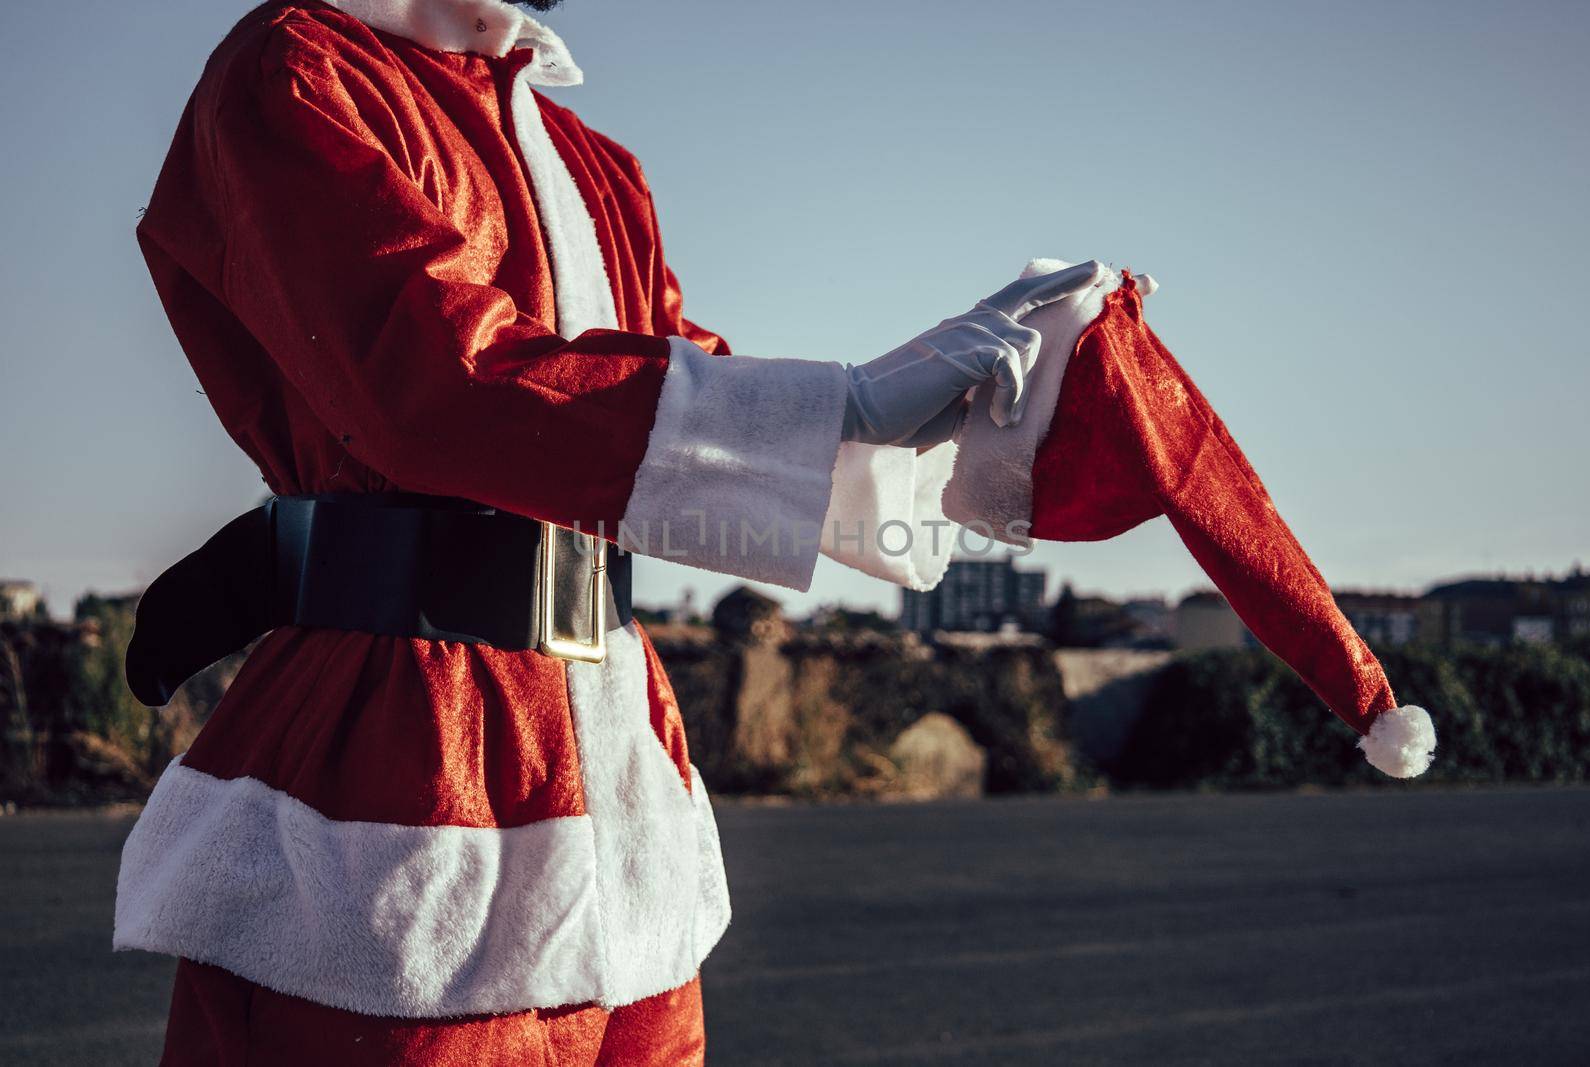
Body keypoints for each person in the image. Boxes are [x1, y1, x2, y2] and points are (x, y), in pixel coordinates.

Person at [114, 1, 1093, 1063]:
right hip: (408, 754)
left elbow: (672, 386)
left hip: (619, 765)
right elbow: (430, 378)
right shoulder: (300, 65)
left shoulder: (594, 161)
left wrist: (943, 431)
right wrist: (843, 406)